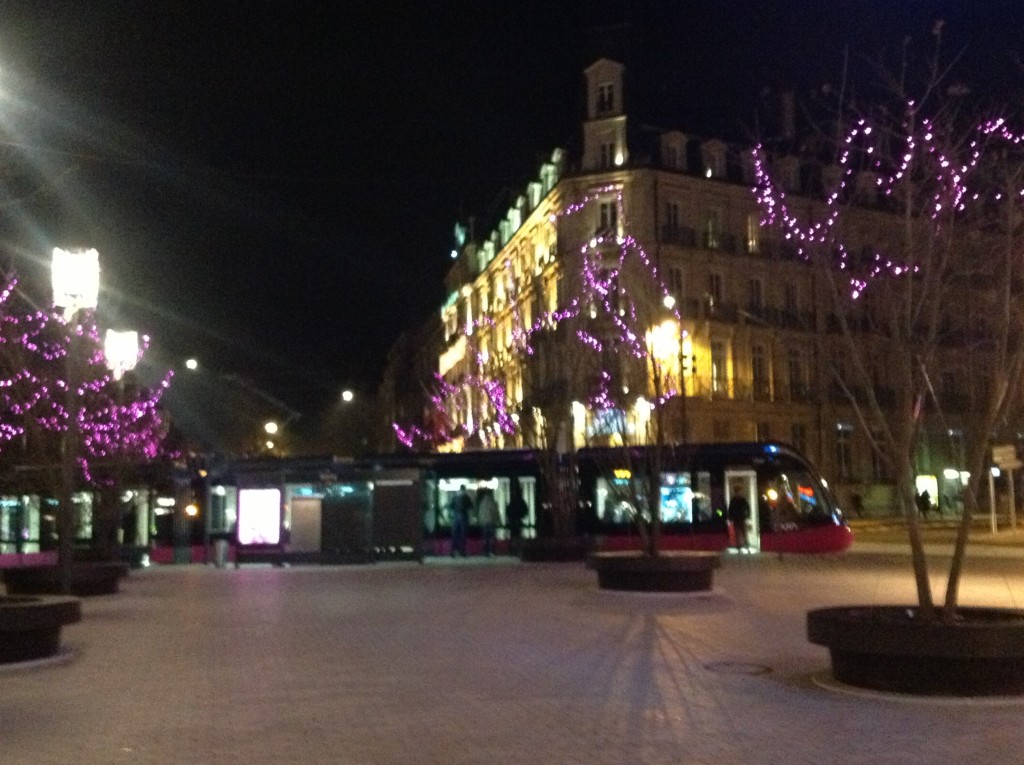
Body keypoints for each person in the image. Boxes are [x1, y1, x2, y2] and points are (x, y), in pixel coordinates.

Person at [506, 479, 528, 555]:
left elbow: (508, 511)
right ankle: (517, 550)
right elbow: (525, 510)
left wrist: (510, 518)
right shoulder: (521, 502)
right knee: (518, 535)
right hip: (518, 520)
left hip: (513, 520)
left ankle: (513, 550)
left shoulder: (512, 502)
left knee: (514, 535)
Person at [727, 484, 751, 552]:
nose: (739, 493)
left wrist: (730, 518)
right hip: (740, 518)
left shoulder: (734, 500)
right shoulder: (742, 500)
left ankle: (741, 545)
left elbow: (730, 510)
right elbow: (747, 508)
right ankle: (744, 545)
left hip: (738, 518)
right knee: (742, 532)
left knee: (740, 533)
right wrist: (748, 516)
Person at [450, 485, 472, 557]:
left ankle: (453, 551)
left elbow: (451, 506)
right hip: (464, 517)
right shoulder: (466, 497)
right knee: (463, 535)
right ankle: (462, 551)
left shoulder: (455, 496)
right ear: (464, 489)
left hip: (456, 517)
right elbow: (471, 506)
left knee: (455, 535)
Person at [476, 487, 499, 557]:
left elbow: (479, 514)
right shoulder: (493, 502)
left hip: (484, 522)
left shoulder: (482, 503)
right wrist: (497, 520)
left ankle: (485, 551)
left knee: (485, 538)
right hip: (491, 522)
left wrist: (480, 521)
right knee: (491, 538)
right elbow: (495, 512)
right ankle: (491, 551)